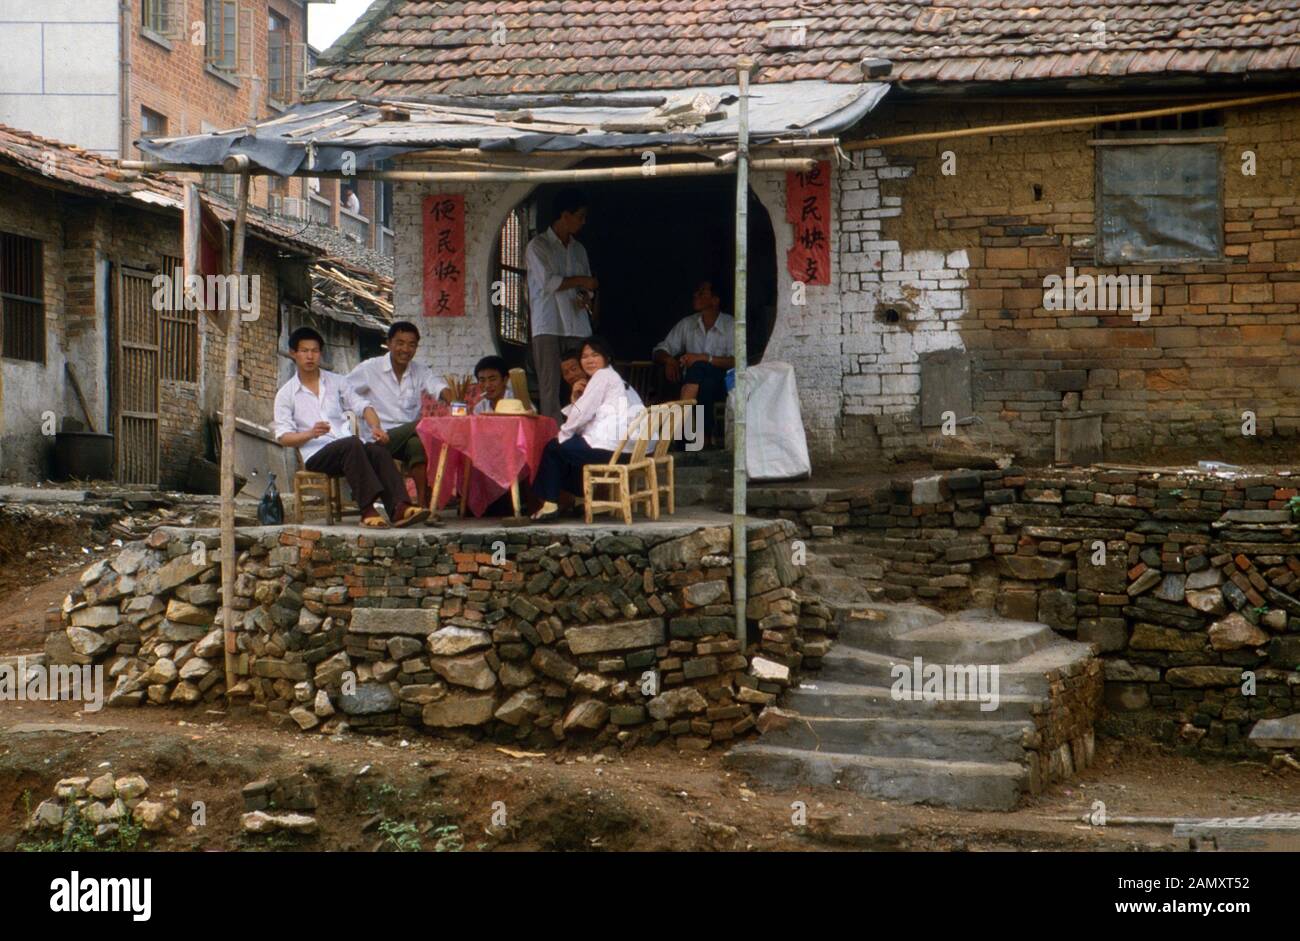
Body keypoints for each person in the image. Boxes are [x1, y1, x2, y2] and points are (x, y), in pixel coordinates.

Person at [274, 327, 428, 528]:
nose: (310, 356)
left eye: (315, 351)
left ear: (320, 353)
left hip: (350, 451)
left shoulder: (337, 381)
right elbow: (283, 437)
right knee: (353, 444)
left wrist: (376, 427)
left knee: (377, 450)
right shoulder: (286, 394)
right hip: (318, 455)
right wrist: (310, 433)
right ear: (294, 354)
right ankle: (367, 511)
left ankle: (400, 507)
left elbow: (363, 406)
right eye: (304, 351)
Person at [530, 337, 645, 521]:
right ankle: (580, 499)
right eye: (585, 356)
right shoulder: (614, 377)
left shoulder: (601, 376)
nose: (589, 360)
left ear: (606, 357)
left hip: (613, 449)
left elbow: (581, 415)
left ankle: (550, 504)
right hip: (629, 449)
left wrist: (564, 432)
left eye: (595, 355)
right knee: (569, 449)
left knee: (553, 448)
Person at [346, 321, 452, 513]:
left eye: (412, 344)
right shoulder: (370, 368)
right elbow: (343, 391)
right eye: (400, 343)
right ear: (389, 343)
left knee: (417, 444)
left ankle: (421, 504)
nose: (406, 349)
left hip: (407, 438)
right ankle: (421, 498)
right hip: (378, 438)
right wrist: (361, 410)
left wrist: (451, 398)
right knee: (424, 425)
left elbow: (436, 385)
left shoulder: (419, 371)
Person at [526, 188, 597, 423]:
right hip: (548, 324)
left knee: (583, 380)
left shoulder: (579, 249)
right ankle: (553, 438)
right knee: (550, 386)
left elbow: (586, 286)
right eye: (580, 216)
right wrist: (581, 281)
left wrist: (585, 293)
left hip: (576, 324)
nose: (583, 222)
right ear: (565, 215)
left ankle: (584, 429)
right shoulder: (538, 246)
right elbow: (548, 282)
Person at [653, 279, 735, 445]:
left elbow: (737, 361)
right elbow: (660, 349)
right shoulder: (688, 323)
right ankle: (703, 439)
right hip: (699, 385)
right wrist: (669, 359)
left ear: (715, 300)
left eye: (702, 292)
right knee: (705, 382)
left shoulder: (730, 324)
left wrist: (704, 358)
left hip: (723, 384)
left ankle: (679, 428)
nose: (695, 295)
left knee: (700, 369)